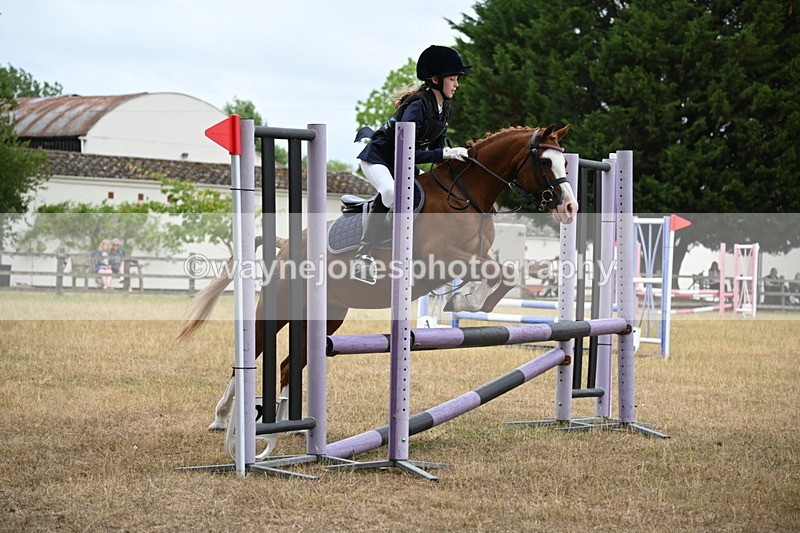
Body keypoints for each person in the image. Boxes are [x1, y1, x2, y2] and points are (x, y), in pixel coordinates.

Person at [352, 44, 472, 284]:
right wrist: (445, 153)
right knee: (390, 192)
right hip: (380, 159)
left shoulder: (444, 108)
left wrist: (450, 160)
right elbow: (408, 152)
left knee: (428, 192)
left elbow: (434, 150)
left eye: (457, 79)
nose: (456, 84)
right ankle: (363, 255)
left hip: (404, 161)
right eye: (452, 79)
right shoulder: (417, 106)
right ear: (436, 79)